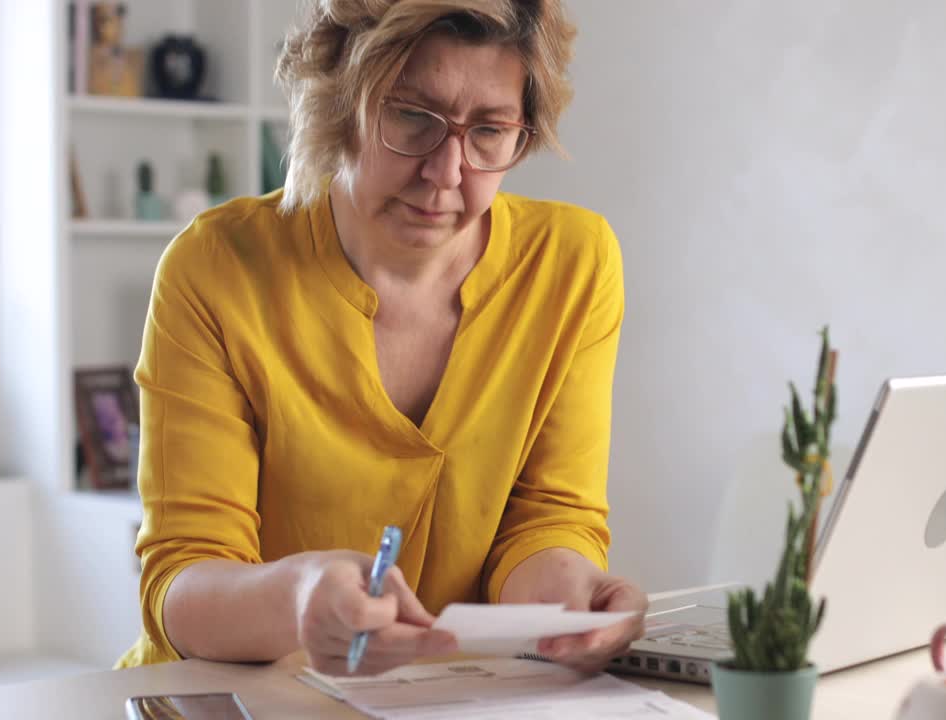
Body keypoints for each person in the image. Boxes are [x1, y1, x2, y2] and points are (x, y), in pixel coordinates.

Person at [116, 0, 648, 677]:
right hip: (225, 695)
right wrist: (300, 601)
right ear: (339, 102)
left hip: (448, 697)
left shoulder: (574, 264)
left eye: (489, 130)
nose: (446, 174)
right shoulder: (216, 268)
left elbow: (549, 518)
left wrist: (571, 602)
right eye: (412, 117)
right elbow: (180, 583)